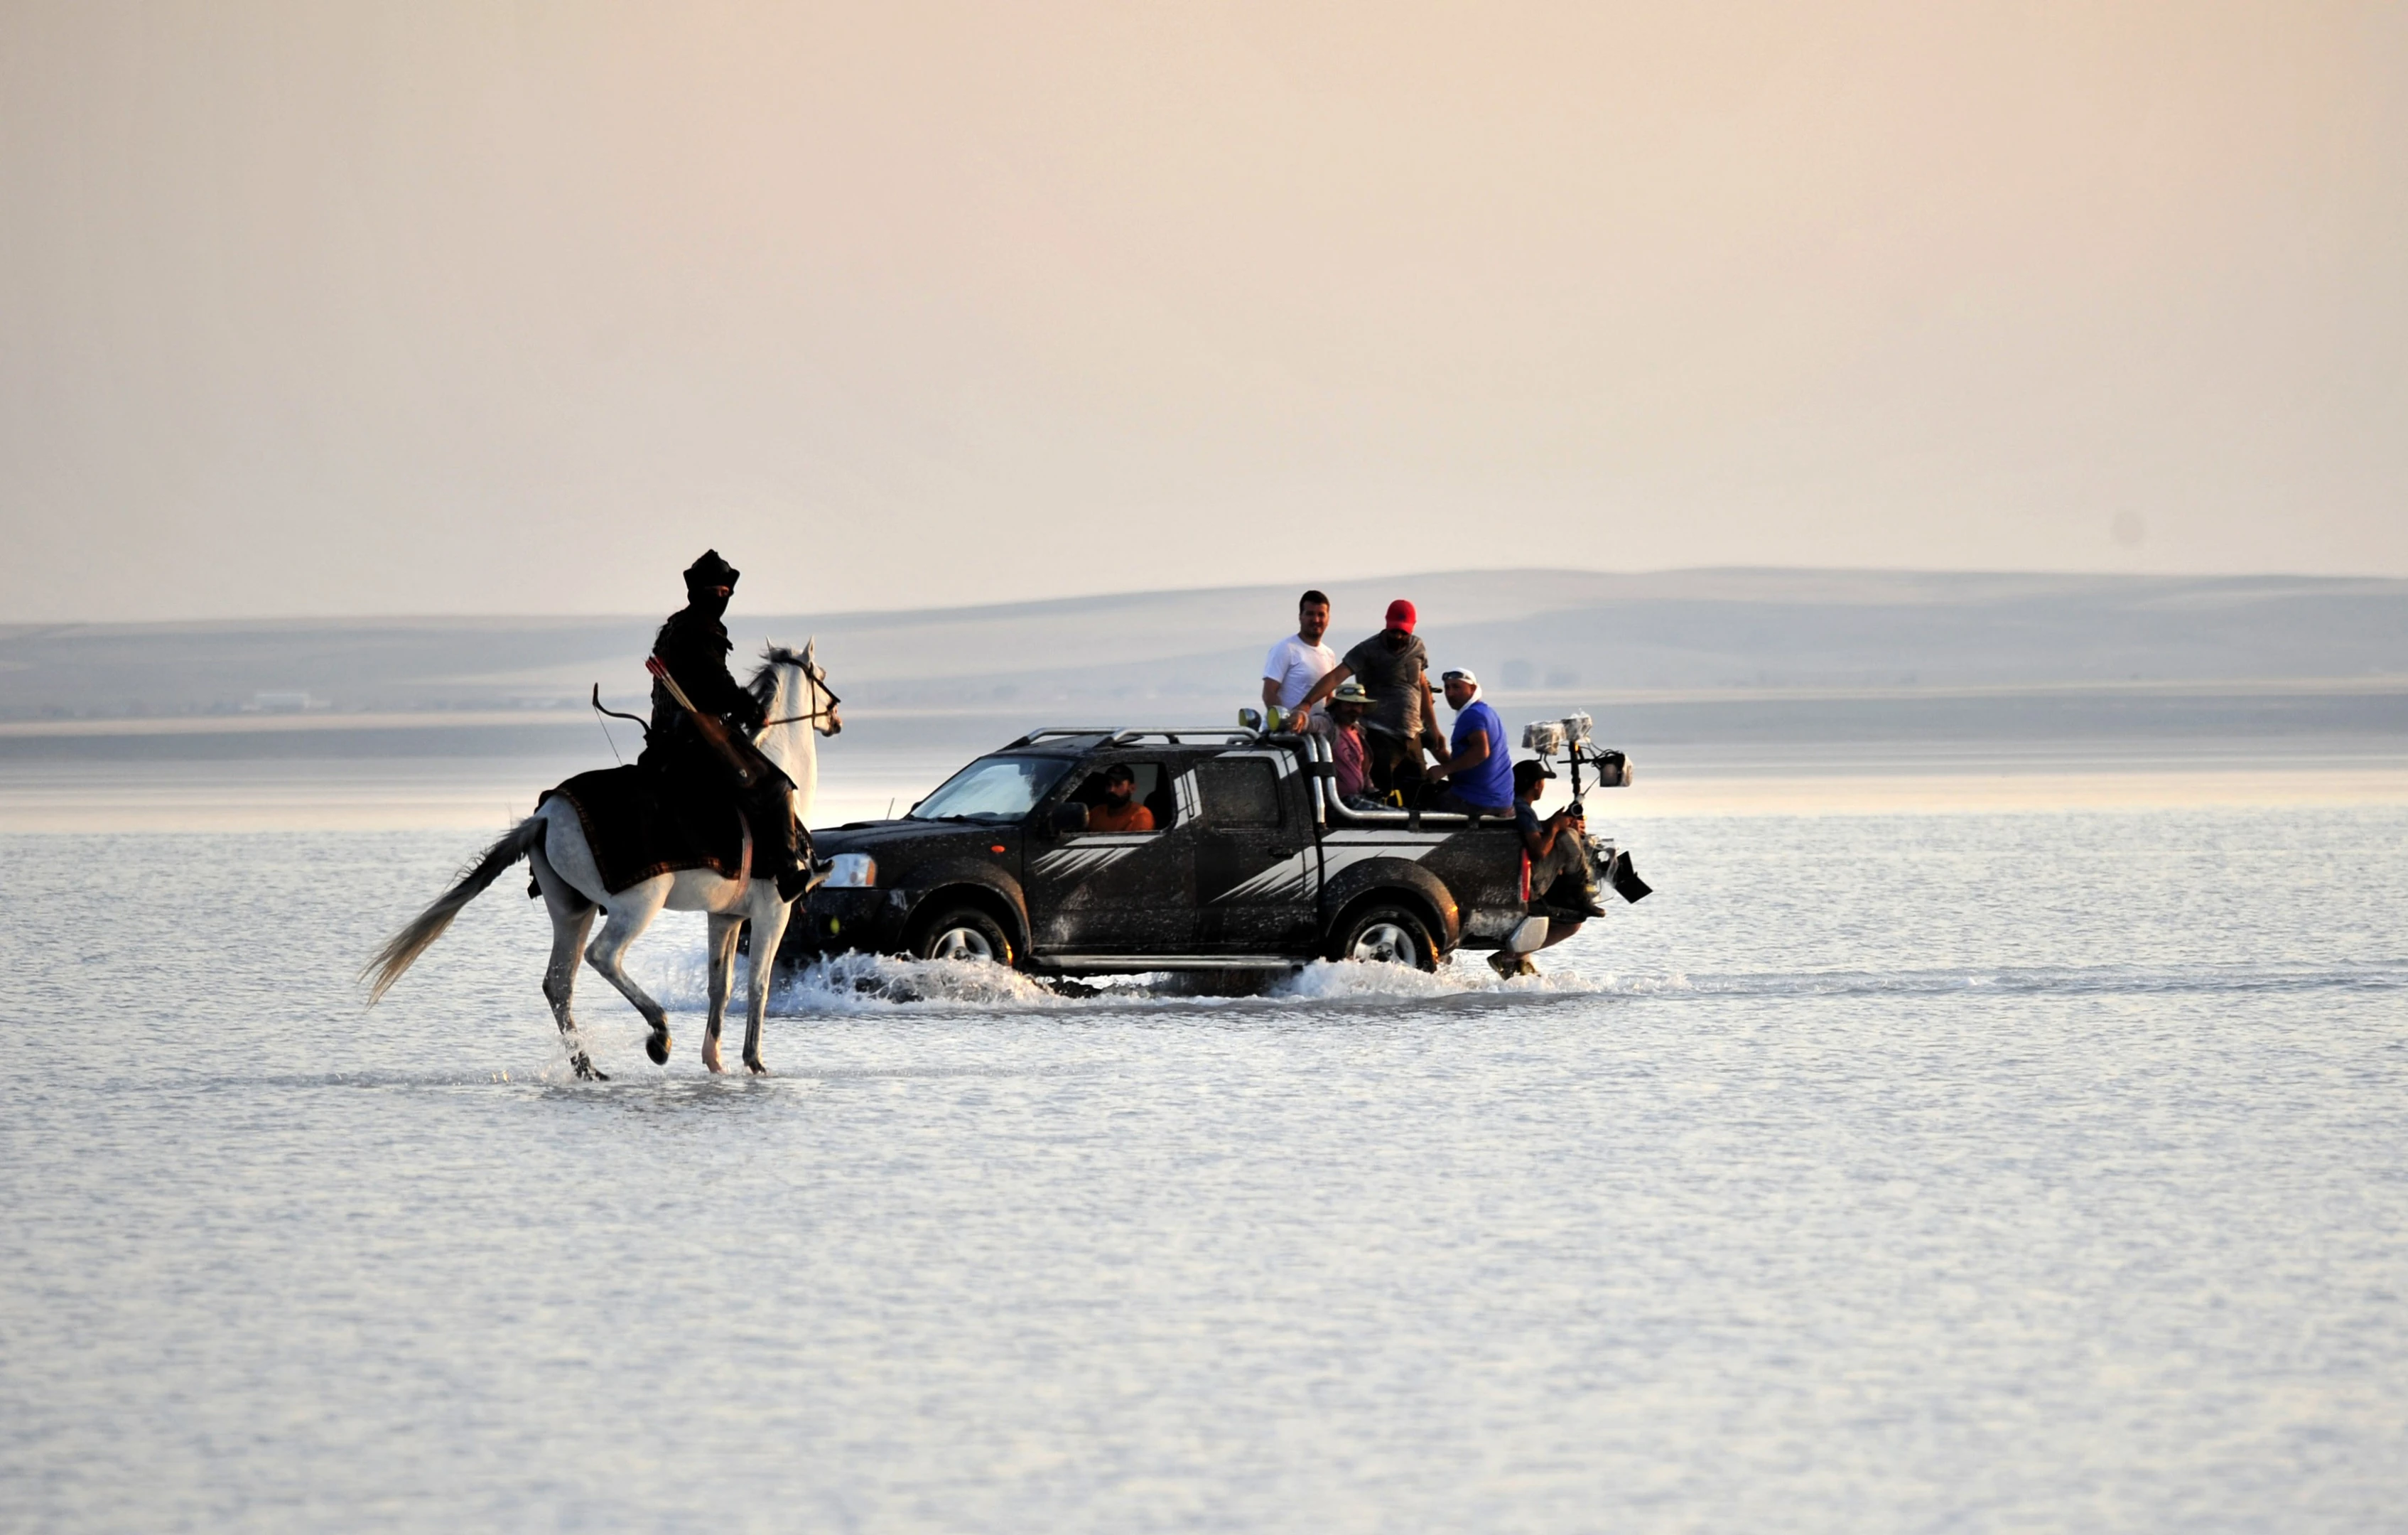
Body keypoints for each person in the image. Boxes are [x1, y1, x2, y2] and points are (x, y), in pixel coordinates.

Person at [639, 549, 812, 900]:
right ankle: (786, 872)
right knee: (777, 786)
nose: (723, 596)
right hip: (697, 735)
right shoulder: (701, 629)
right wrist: (750, 711)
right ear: (699, 592)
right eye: (717, 591)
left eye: (726, 591)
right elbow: (716, 681)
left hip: (663, 736)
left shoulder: (674, 627)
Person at [1297, 598, 1442, 795]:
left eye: (1403, 633)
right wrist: (1306, 703)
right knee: (1382, 794)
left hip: (1412, 735)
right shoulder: (1368, 650)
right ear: (1386, 623)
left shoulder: (1418, 648)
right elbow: (1336, 676)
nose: (1398, 636)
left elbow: (1421, 685)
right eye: (1394, 631)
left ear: (1412, 628)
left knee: (1419, 793)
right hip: (1380, 736)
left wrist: (1433, 727)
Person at [1512, 759, 1608, 920]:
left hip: (1515, 874)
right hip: (1530, 883)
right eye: (1542, 781)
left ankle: (1573, 893)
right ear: (1537, 784)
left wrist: (1550, 823)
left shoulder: (1512, 806)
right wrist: (1556, 828)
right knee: (1568, 836)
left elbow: (1526, 831)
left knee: (1565, 834)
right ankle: (1578, 896)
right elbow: (1538, 852)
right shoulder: (1524, 811)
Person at [1424, 668, 1514, 817]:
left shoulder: (1472, 715)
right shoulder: (1487, 712)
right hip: (1502, 802)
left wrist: (1444, 770)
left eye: (1456, 687)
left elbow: (1481, 752)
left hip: (1477, 801)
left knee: (1421, 801)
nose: (1450, 694)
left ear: (1472, 689)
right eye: (1447, 688)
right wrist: (1443, 757)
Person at [1260, 590, 1337, 726]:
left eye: (1321, 615)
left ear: (1328, 619)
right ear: (1300, 617)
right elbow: (1269, 693)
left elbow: (1329, 698)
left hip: (1314, 733)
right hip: (1284, 736)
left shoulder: (1329, 654)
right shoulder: (1286, 648)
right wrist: (1287, 722)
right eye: (1310, 614)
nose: (1316, 620)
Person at [1306, 679, 1376, 804]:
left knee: (1402, 816)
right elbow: (1310, 724)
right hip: (1337, 803)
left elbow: (1361, 770)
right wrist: (1297, 719)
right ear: (1337, 705)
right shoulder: (1328, 725)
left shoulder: (1359, 733)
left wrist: (1371, 788)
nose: (1354, 709)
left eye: (1358, 705)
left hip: (1358, 799)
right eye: (1349, 704)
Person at [1086, 764, 1155, 832]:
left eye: (1118, 784)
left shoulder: (1140, 816)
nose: (1111, 790)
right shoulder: (1097, 811)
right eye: (1109, 785)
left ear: (1132, 788)